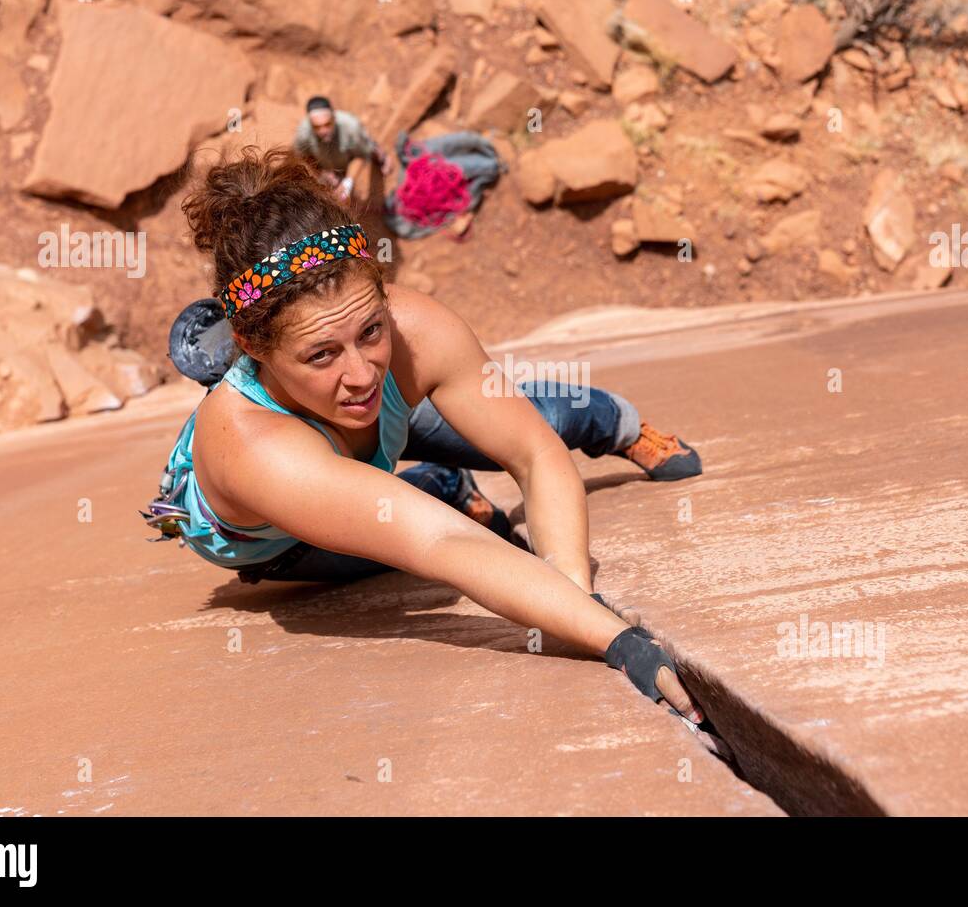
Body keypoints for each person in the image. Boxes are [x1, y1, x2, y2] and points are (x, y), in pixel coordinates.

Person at [154, 145, 706, 723]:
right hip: (285, 540)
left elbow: (534, 453)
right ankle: (443, 487)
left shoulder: (410, 330)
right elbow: (443, 546)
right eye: (321, 354)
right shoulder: (255, 447)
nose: (361, 374)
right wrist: (617, 641)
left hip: (369, 438)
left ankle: (621, 424)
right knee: (405, 534)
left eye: (371, 330)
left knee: (542, 417)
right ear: (252, 346)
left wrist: (577, 601)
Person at [292, 95, 394, 201]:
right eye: (317, 127)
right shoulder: (303, 134)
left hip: (353, 154)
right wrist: (322, 173)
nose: (323, 131)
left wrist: (347, 183)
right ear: (310, 124)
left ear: (334, 118)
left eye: (327, 124)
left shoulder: (351, 127)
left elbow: (361, 156)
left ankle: (383, 157)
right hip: (328, 164)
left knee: (371, 150)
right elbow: (303, 157)